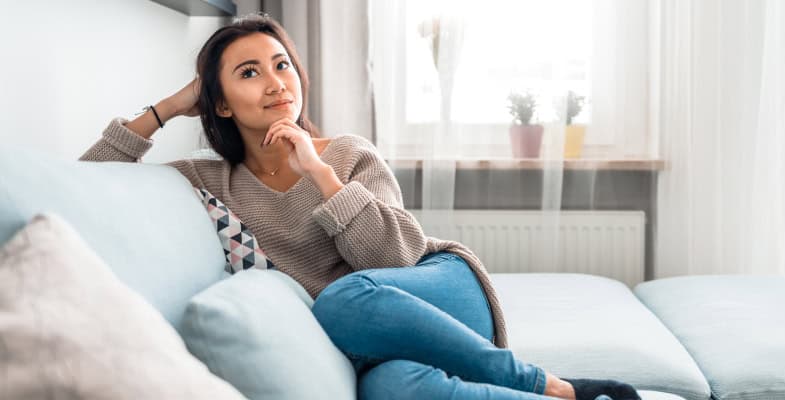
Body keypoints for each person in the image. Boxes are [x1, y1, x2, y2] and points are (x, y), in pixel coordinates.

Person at [80, 13, 641, 400]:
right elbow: (90, 181)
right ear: (219, 103)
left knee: (344, 295)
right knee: (388, 390)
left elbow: (397, 259)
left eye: (282, 65)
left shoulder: (346, 153)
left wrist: (319, 175)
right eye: (249, 73)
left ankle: (539, 379)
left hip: (437, 289)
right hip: (365, 339)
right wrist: (168, 107)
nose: (276, 83)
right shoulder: (210, 180)